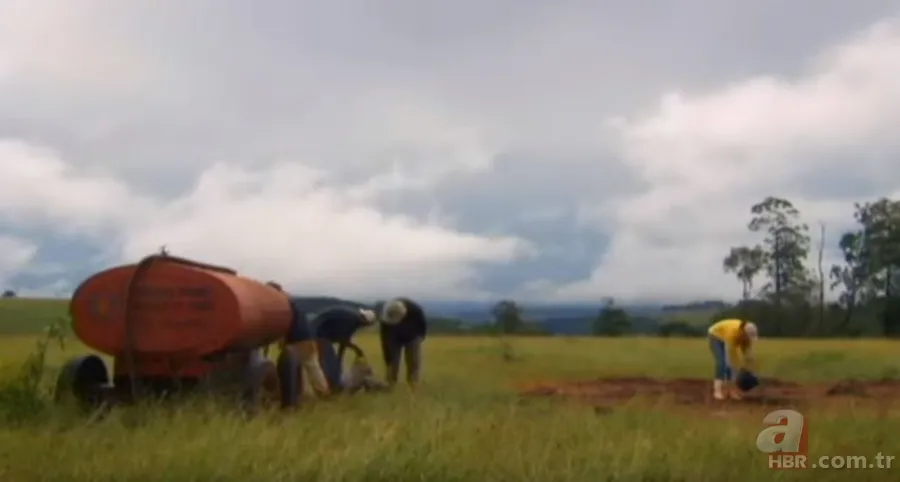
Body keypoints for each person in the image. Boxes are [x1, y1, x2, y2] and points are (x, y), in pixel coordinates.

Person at [266, 282, 331, 398]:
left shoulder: (282, 303)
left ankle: (321, 392)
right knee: (307, 365)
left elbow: (284, 323)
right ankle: (311, 393)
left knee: (308, 365)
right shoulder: (289, 300)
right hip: (306, 336)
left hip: (298, 339)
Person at [310, 305, 378, 390]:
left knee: (331, 362)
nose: (365, 327)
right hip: (318, 333)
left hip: (320, 331)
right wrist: (357, 350)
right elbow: (344, 341)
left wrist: (340, 358)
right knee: (328, 362)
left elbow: (343, 341)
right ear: (365, 321)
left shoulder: (353, 318)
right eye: (366, 325)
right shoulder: (352, 321)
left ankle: (333, 384)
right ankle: (331, 387)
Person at [375, 297, 427, 387]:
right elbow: (384, 337)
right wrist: (387, 356)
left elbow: (422, 325)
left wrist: (421, 336)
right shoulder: (386, 314)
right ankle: (389, 384)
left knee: (413, 361)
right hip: (393, 339)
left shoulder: (415, 310)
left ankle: (413, 384)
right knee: (393, 362)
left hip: (413, 337)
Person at [707, 318, 758, 401]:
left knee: (732, 368)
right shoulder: (733, 333)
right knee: (722, 363)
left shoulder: (746, 337)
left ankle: (731, 392)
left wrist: (750, 366)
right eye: (748, 336)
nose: (748, 339)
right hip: (715, 336)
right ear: (743, 333)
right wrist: (738, 368)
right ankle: (717, 391)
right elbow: (732, 355)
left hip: (726, 336)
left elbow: (747, 353)